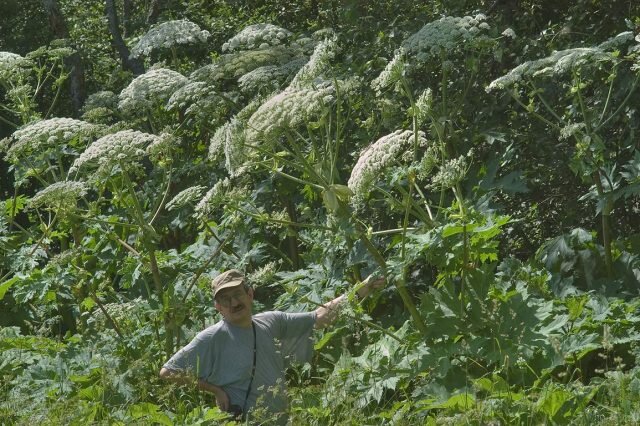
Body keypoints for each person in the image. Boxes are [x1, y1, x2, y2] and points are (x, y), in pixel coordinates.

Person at [159, 268, 384, 423]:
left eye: (237, 294)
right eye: (226, 299)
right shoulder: (212, 337)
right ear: (218, 307)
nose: (234, 303)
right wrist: (215, 390)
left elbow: (320, 316)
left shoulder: (271, 322)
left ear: (250, 294)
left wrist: (363, 288)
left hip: (281, 419)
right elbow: (168, 372)